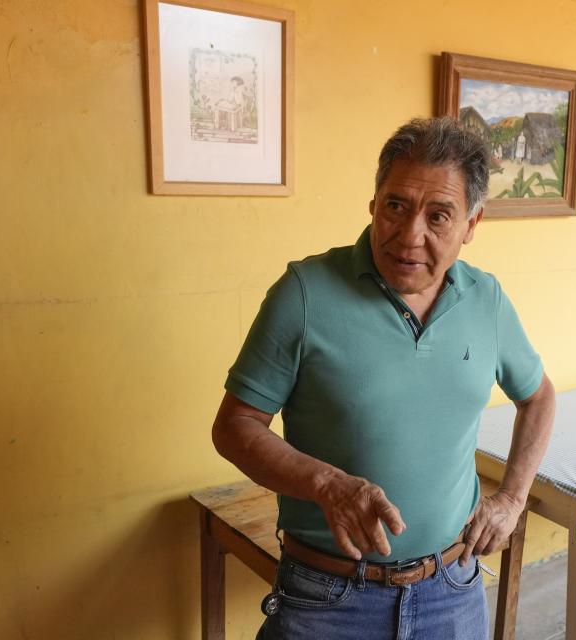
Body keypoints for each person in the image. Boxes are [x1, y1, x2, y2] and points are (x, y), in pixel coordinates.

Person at [212, 116, 556, 640]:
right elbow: (235, 426)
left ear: (471, 224)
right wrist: (328, 485)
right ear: (374, 204)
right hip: (328, 598)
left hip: (452, 589)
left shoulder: (486, 300)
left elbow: (539, 397)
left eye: (439, 215)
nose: (410, 235)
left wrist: (510, 500)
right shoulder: (305, 293)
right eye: (396, 206)